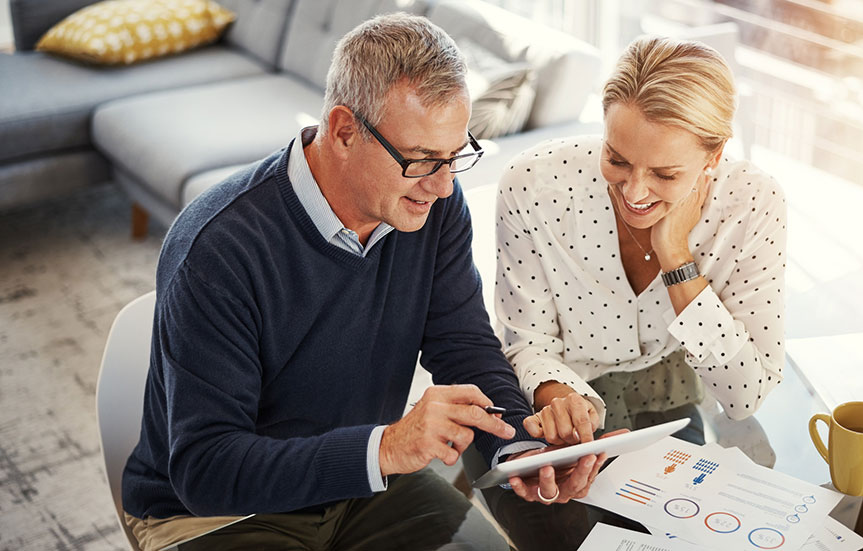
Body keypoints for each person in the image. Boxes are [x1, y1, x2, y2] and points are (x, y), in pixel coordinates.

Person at [120, 13, 603, 551]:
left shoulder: (429, 207)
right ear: (345, 130)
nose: (444, 186)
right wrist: (387, 448)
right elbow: (206, 469)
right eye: (421, 161)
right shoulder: (219, 249)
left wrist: (518, 447)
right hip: (220, 515)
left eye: (455, 155)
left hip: (362, 484)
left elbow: (462, 345)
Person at [484, 36, 788, 549]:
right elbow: (525, 338)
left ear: (714, 155)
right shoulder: (532, 185)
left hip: (666, 393)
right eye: (617, 159)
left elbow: (744, 396)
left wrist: (676, 256)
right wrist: (559, 397)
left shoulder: (752, 204)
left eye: (666, 174)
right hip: (556, 393)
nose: (634, 192)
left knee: (678, 539)